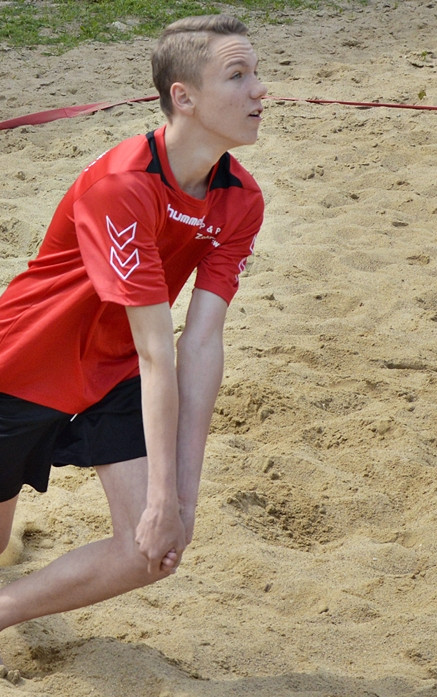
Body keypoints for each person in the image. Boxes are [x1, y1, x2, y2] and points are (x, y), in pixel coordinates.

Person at [0, 14, 266, 674]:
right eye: (238, 75)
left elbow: (199, 343)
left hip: (116, 371)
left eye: (257, 73)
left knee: (153, 551)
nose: (260, 89)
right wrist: (161, 498)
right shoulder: (124, 183)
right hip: (23, 366)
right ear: (184, 96)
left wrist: (180, 499)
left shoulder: (241, 199)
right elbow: (158, 349)